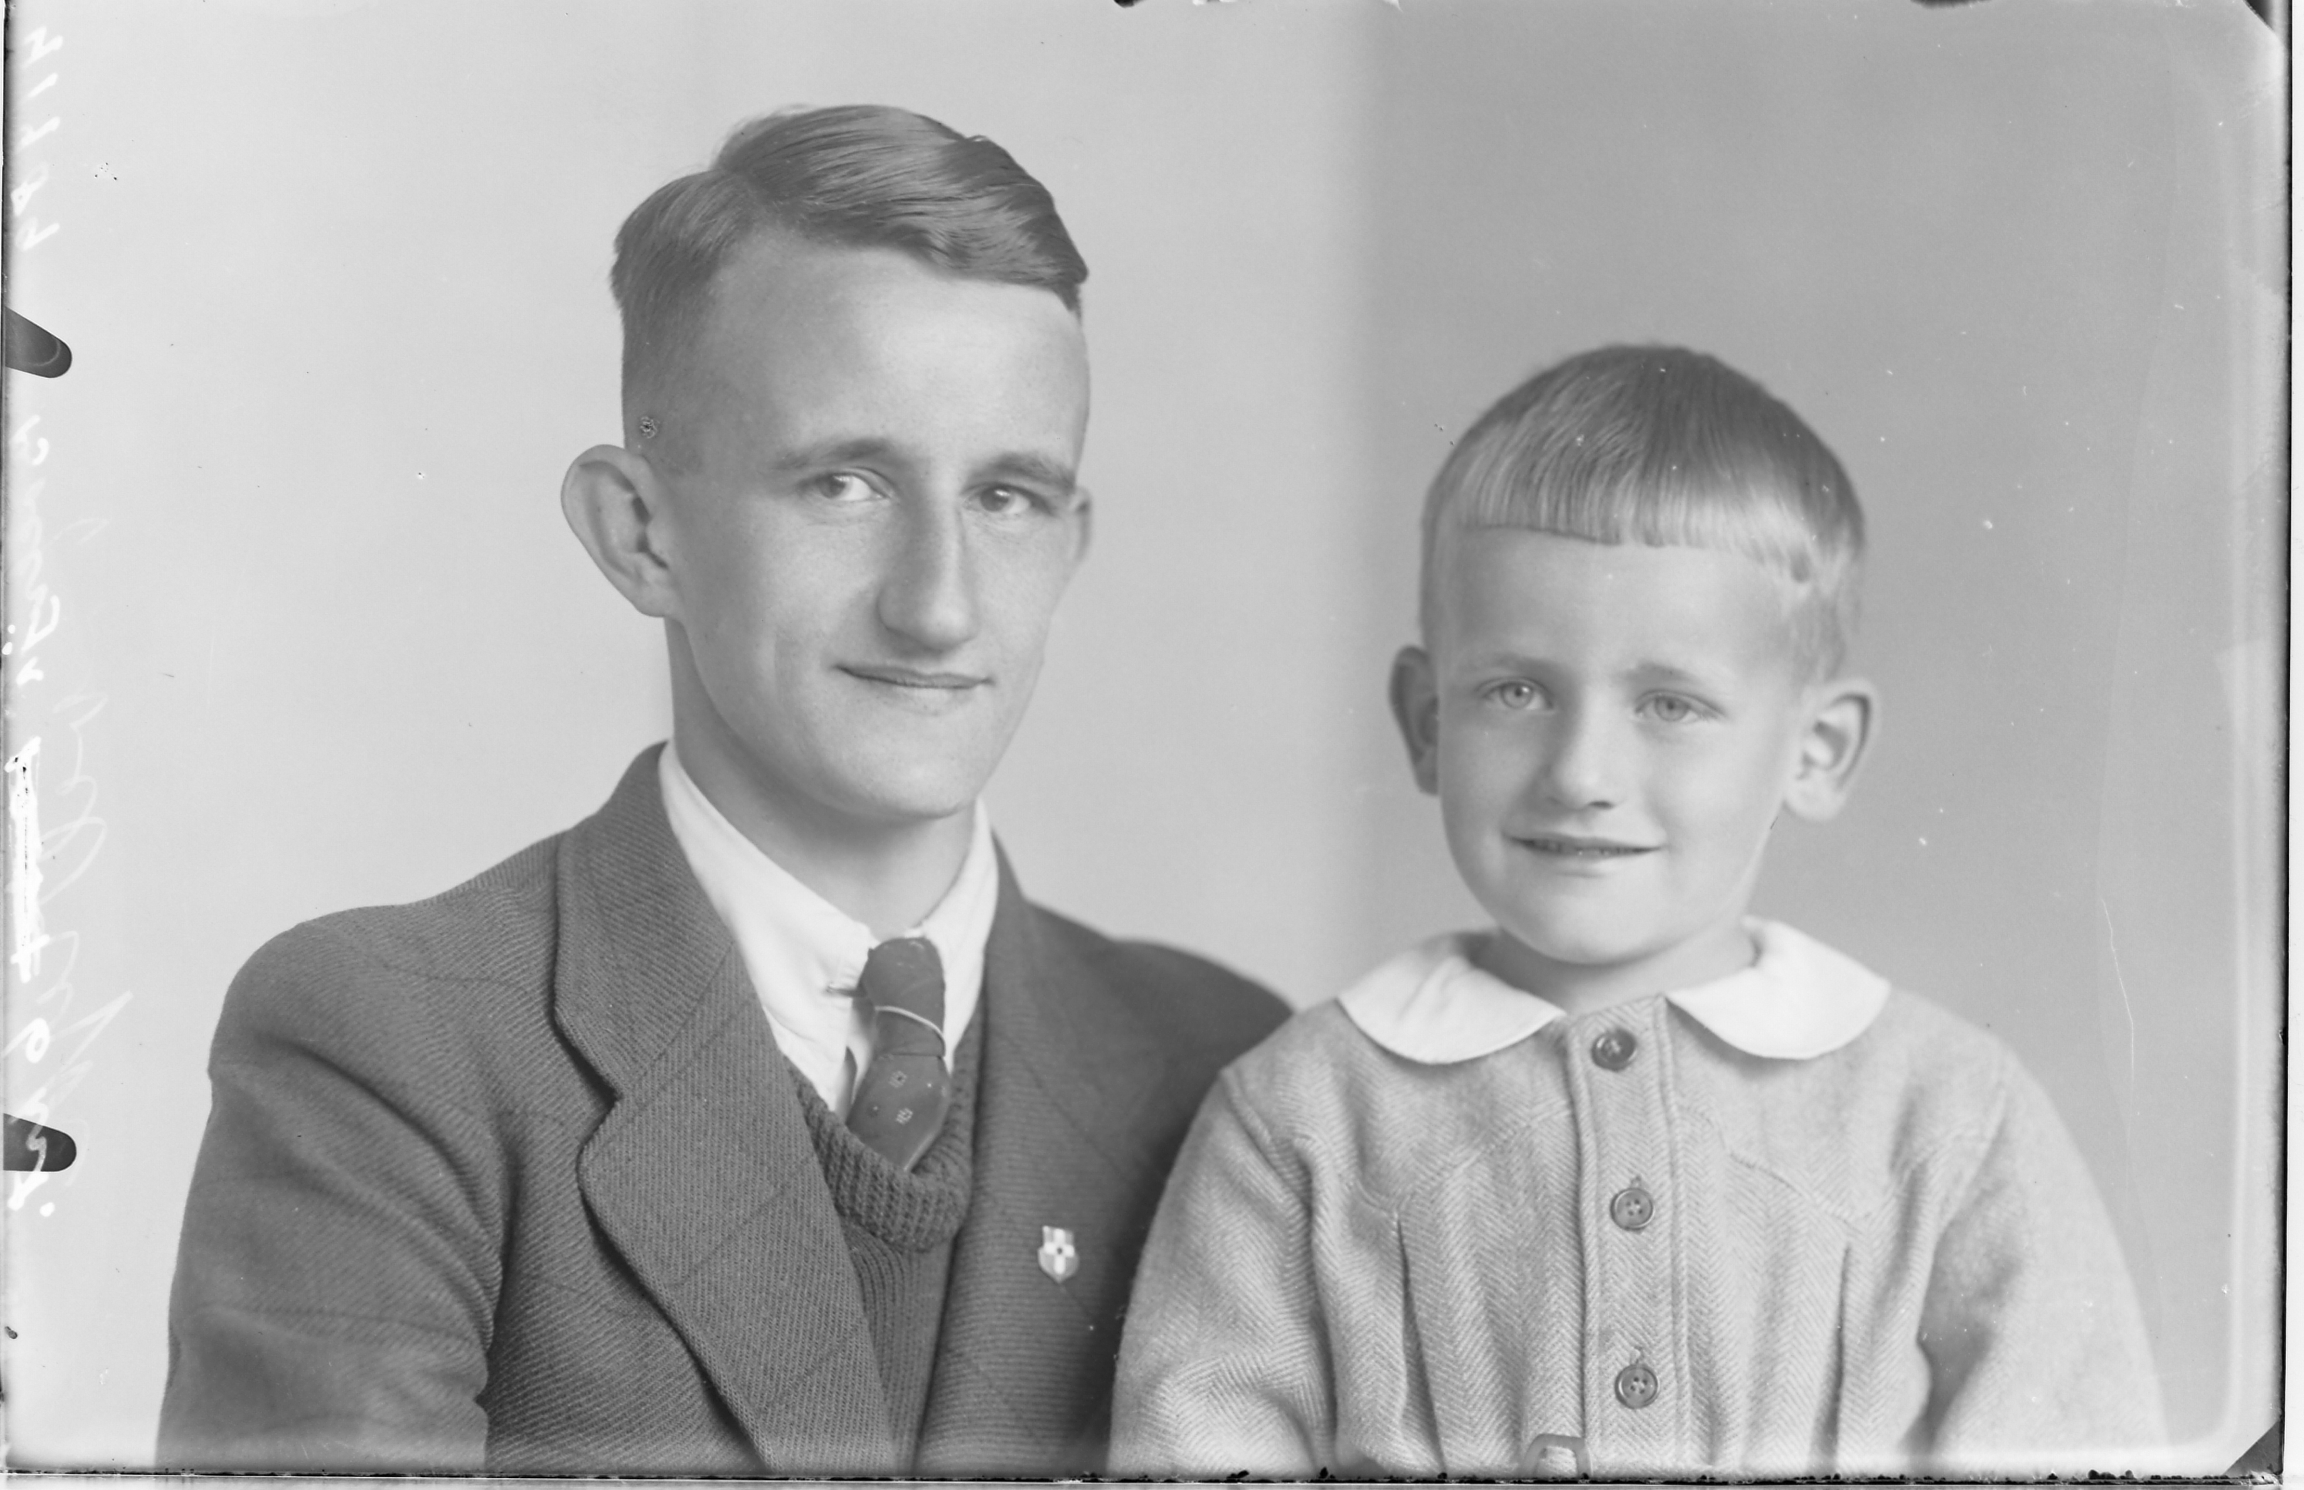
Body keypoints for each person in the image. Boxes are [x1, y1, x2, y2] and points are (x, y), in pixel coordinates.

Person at [156, 104, 1286, 1476]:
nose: (939, 606)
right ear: (642, 534)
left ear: (1069, 543)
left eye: (1007, 498)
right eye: (845, 483)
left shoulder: (1227, 1070)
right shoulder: (397, 1050)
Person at [1110, 345, 2163, 1478]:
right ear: (1426, 722)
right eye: (1517, 691)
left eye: (1670, 704)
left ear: (1816, 751)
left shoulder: (1948, 1117)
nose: (1581, 773)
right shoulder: (1300, 1117)